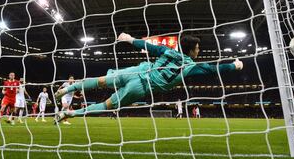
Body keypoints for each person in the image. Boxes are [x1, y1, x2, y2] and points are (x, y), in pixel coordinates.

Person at [55, 33, 243, 123]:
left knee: (101, 80)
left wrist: (129, 39)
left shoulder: (167, 50)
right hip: (142, 87)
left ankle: (68, 88)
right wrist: (234, 65)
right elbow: (212, 69)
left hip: (137, 71)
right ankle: (70, 113)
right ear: (191, 50)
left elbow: (148, 46)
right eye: (198, 48)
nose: (199, 50)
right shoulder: (191, 67)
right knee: (107, 105)